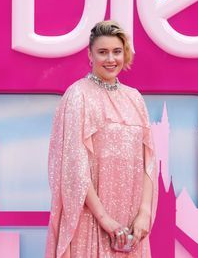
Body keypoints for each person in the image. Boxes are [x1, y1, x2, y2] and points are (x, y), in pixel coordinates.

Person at [45, 20, 157, 257]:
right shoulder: (78, 95)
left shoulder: (135, 98)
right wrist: (105, 219)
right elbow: (74, 168)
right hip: (90, 219)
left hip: (131, 224)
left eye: (117, 52)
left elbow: (148, 160)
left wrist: (144, 212)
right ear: (90, 54)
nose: (110, 59)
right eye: (102, 52)